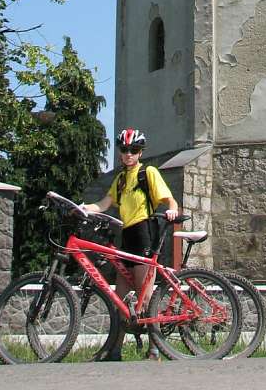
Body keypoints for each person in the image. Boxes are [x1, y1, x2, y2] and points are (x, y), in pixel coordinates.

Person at [83, 127, 178, 360]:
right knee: (121, 298)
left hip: (145, 232)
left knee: (144, 296)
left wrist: (174, 210)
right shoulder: (121, 178)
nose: (128, 154)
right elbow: (105, 203)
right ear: (120, 152)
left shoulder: (149, 173)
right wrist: (84, 208)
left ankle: (154, 349)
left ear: (140, 152)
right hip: (126, 235)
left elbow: (168, 199)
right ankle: (114, 350)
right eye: (124, 150)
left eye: (133, 150)